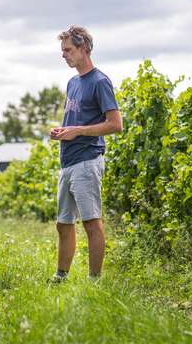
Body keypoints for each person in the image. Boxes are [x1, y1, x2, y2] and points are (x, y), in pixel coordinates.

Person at [49, 26, 122, 282]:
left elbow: (115, 124)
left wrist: (77, 132)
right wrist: (63, 131)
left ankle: (94, 280)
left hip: (87, 160)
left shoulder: (100, 81)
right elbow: (76, 122)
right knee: (63, 222)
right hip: (68, 161)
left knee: (91, 221)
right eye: (63, 51)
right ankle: (61, 276)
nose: (64, 55)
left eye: (68, 50)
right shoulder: (73, 82)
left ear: (84, 49)